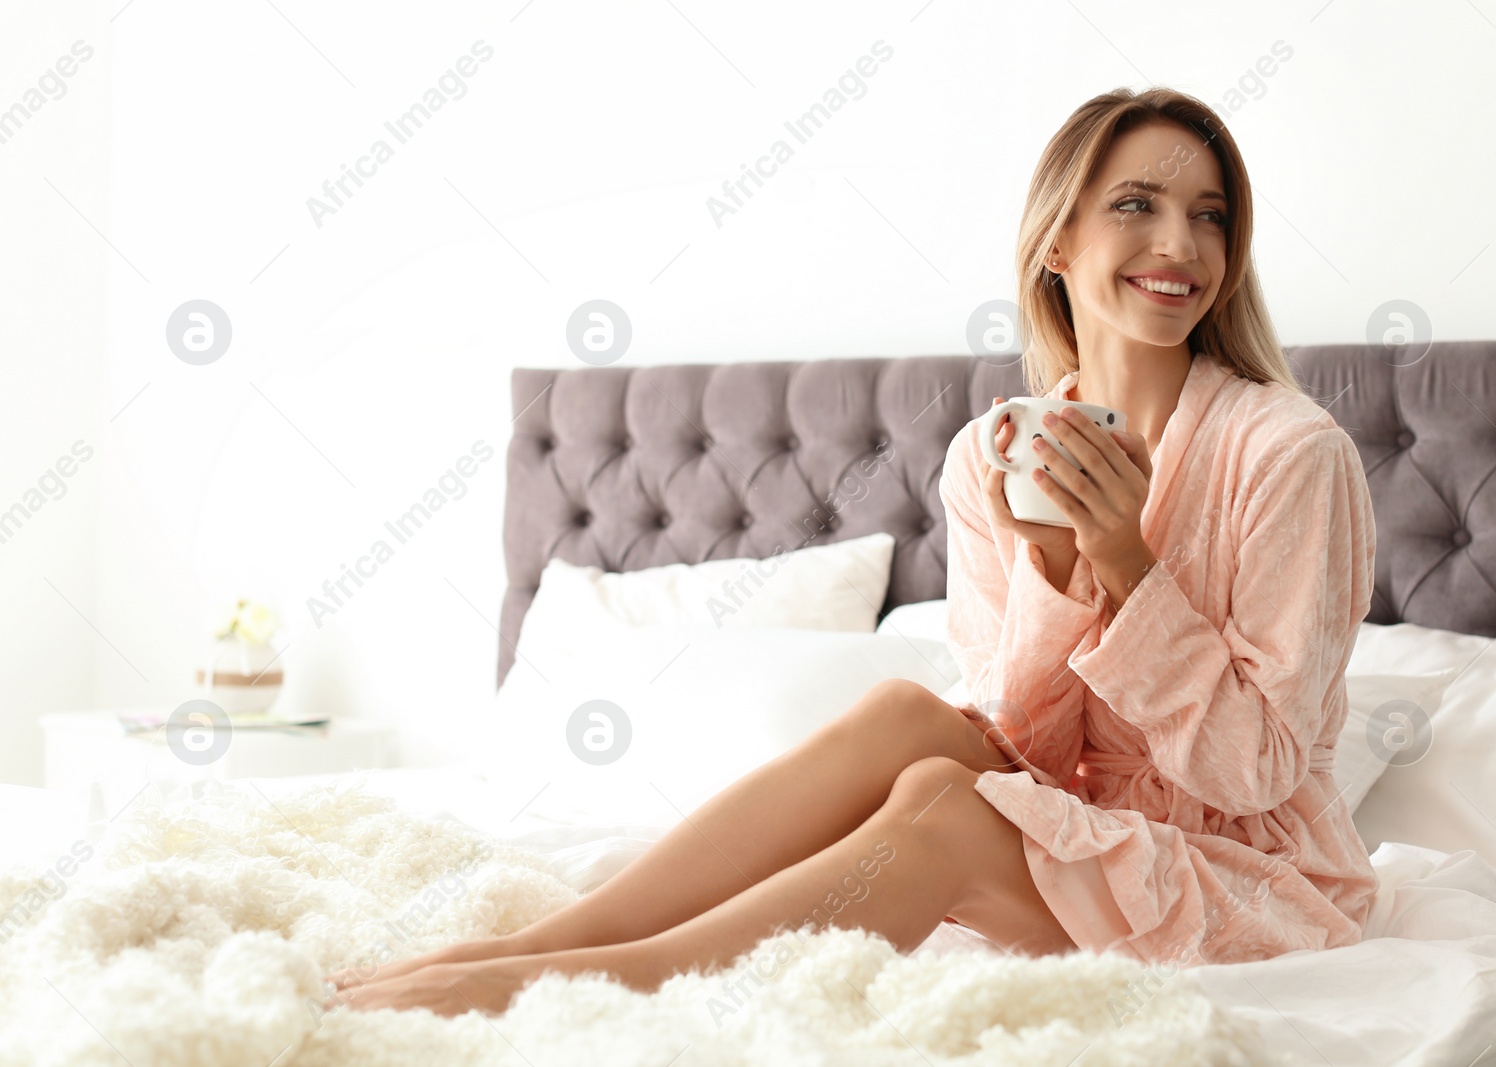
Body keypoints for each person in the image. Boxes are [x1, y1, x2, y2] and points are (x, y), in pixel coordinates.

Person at [327, 86, 1379, 1016]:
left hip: (1243, 872)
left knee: (950, 812)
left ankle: (586, 983)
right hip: (1084, 827)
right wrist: (1055, 570)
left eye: (1208, 216)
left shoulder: (1288, 453)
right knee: (911, 721)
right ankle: (538, 945)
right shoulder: (992, 455)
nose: (1182, 246)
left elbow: (1256, 769)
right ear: (1056, 242)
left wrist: (1128, 565)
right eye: (1136, 205)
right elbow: (1028, 738)